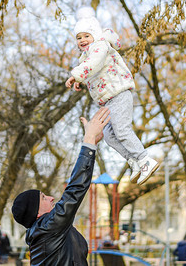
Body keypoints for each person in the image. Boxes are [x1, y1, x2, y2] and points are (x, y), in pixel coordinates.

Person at [65, 6, 159, 185]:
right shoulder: (87, 56)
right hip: (108, 101)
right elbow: (93, 68)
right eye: (79, 37)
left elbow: (94, 63)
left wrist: (76, 75)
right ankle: (134, 161)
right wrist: (81, 80)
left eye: (86, 36)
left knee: (122, 130)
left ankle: (144, 159)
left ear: (94, 35)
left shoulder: (100, 46)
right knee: (109, 135)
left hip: (119, 94)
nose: (83, 40)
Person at [12, 107, 111, 265]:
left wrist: (92, 142)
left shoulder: (52, 230)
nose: (51, 198)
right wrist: (89, 141)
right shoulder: (48, 227)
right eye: (43, 198)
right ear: (36, 212)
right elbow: (74, 190)